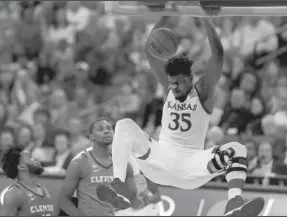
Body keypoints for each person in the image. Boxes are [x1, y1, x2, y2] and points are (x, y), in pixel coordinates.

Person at [96, 17, 265, 216]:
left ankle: (234, 204)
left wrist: (204, 17)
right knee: (124, 125)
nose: (174, 87)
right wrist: (166, 16)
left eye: (179, 83)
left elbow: (217, 55)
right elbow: (149, 51)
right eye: (171, 83)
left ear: (191, 79)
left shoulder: (203, 92)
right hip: (160, 160)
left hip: (191, 165)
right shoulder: (169, 88)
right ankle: (118, 184)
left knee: (238, 149)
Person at [59, 118, 135, 216]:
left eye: (109, 128)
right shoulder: (79, 162)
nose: (106, 131)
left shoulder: (124, 163)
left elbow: (132, 195)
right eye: (100, 129)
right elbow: (63, 200)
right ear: (91, 137)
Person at [0, 146, 58, 216]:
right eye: (30, 157)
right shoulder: (14, 194)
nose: (36, 158)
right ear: (22, 166)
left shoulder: (45, 191)